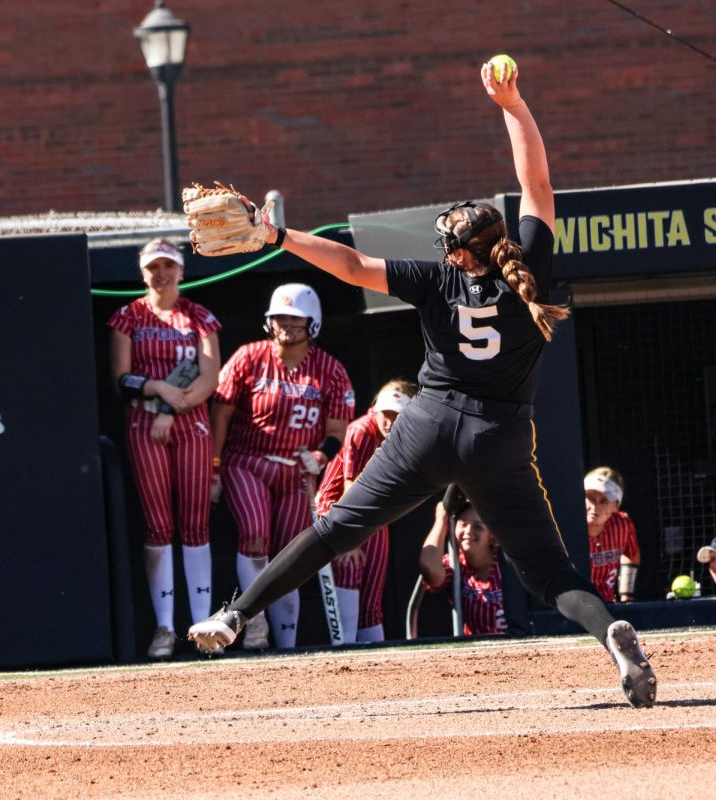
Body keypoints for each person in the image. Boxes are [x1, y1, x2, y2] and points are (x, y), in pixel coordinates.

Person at [188, 61, 658, 708]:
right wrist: (514, 105)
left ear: (460, 256)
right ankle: (611, 634)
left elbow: (350, 265)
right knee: (550, 573)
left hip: (430, 424)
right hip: (500, 435)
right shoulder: (532, 270)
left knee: (334, 530)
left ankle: (235, 614)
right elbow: (537, 181)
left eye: (450, 243)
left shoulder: (436, 281)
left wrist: (277, 236)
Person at [210, 283, 355, 650]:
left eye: (294, 318)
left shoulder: (331, 371)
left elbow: (338, 429)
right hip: (249, 461)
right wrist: (213, 465)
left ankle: (286, 644)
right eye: (279, 318)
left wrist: (320, 456)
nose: (286, 325)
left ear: (313, 322)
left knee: (292, 555)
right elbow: (221, 414)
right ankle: (253, 621)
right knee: (255, 535)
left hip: (297, 470)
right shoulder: (248, 358)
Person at [108, 238, 222, 660]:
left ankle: (206, 624)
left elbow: (210, 375)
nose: (161, 275)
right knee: (158, 525)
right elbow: (121, 378)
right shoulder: (128, 316)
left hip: (190, 423)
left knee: (195, 525)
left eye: (168, 266)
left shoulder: (199, 316)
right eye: (153, 267)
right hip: (143, 424)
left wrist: (172, 408)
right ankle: (164, 627)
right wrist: (157, 390)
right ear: (142, 272)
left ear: (180, 271)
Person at [314, 379, 419, 643]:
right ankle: (346, 648)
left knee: (372, 595)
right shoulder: (361, 430)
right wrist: (349, 540)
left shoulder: (406, 437)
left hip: (373, 515)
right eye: (386, 413)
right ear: (375, 409)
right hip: (339, 511)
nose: (389, 421)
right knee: (351, 567)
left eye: (397, 415)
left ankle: (373, 663)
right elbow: (351, 491)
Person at [418, 487, 506, 636]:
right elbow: (430, 571)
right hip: (475, 650)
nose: (468, 532)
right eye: (463, 524)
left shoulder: (506, 562)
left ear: (491, 535)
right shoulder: (456, 565)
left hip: (515, 646)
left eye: (478, 526)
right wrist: (442, 520)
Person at [584, 466, 641, 602]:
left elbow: (631, 555)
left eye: (604, 501)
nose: (594, 507)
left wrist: (626, 595)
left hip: (608, 603)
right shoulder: (566, 526)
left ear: (616, 505)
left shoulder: (622, 524)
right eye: (590, 498)